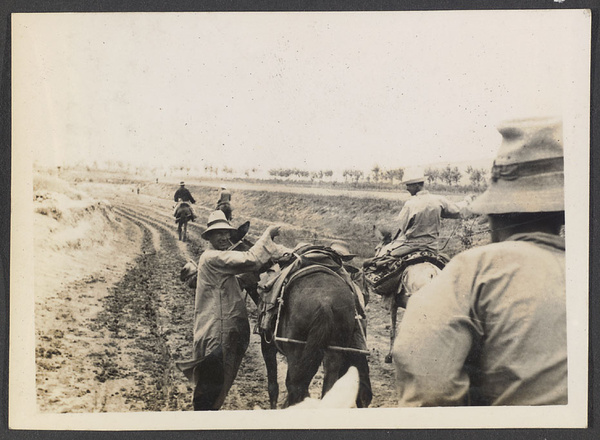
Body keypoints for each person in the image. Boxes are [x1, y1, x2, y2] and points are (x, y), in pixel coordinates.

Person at [393, 116, 567, 406]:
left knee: (381, 264)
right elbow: (457, 212)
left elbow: (429, 393)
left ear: (495, 214)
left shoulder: (472, 269)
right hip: (434, 248)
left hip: (409, 245)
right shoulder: (436, 200)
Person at [176, 211, 288, 410]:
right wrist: (268, 235)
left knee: (218, 388)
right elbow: (251, 259)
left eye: (227, 232)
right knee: (212, 388)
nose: (224, 237)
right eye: (218, 233)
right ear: (208, 237)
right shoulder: (211, 257)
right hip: (218, 335)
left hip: (225, 334)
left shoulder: (218, 266)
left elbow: (240, 279)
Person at [377, 169, 472, 257]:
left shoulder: (410, 204)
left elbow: (400, 228)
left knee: (381, 257)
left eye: (408, 185)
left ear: (417, 185)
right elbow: (457, 210)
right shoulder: (439, 200)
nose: (407, 188)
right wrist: (467, 201)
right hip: (432, 247)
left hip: (411, 247)